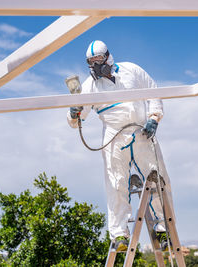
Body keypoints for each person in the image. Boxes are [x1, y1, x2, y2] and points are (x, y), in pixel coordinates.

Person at [67, 40, 174, 252]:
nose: (95, 66)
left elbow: (153, 92)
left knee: (158, 178)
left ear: (108, 56)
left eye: (98, 60)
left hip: (142, 132)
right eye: (91, 62)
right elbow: (77, 119)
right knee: (116, 184)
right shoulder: (89, 86)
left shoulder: (131, 70)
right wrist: (73, 113)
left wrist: (154, 118)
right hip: (114, 138)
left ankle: (163, 229)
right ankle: (119, 234)